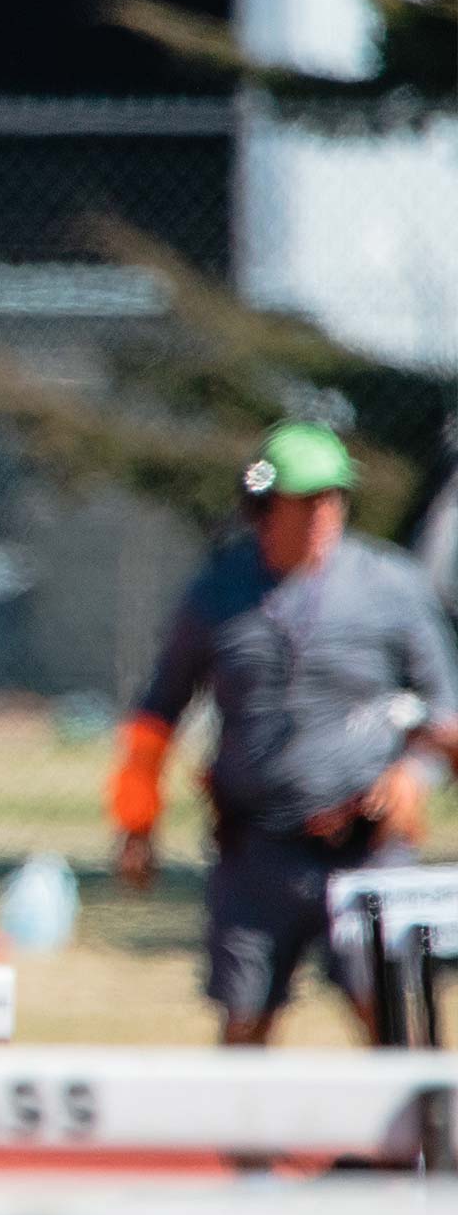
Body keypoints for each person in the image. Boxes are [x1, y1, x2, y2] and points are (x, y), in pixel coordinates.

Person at [112, 421, 458, 1044]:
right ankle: (249, 1145)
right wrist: (137, 822)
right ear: (264, 505)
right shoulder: (218, 593)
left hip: (365, 850)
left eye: (334, 497)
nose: (326, 513)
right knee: (244, 1020)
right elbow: (156, 713)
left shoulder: (391, 587)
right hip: (254, 849)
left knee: (384, 1014)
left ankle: (405, 1146)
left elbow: (445, 714)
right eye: (309, 499)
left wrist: (415, 774)